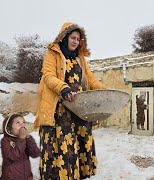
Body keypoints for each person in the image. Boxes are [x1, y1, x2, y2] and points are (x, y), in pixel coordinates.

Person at [34, 22, 106, 179]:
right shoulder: (52, 54)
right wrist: (64, 89)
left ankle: (80, 175)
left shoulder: (80, 58)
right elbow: (48, 76)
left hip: (79, 108)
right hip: (59, 109)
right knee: (64, 145)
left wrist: (104, 91)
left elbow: (91, 79)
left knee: (81, 141)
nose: (75, 41)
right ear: (65, 37)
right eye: (73, 37)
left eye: (78, 39)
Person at [1, 113, 40, 180]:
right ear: (9, 129)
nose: (22, 125)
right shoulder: (5, 141)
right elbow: (12, 156)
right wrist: (21, 139)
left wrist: (28, 138)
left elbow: (35, 153)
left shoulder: (25, 140)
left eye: (23, 122)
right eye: (18, 123)